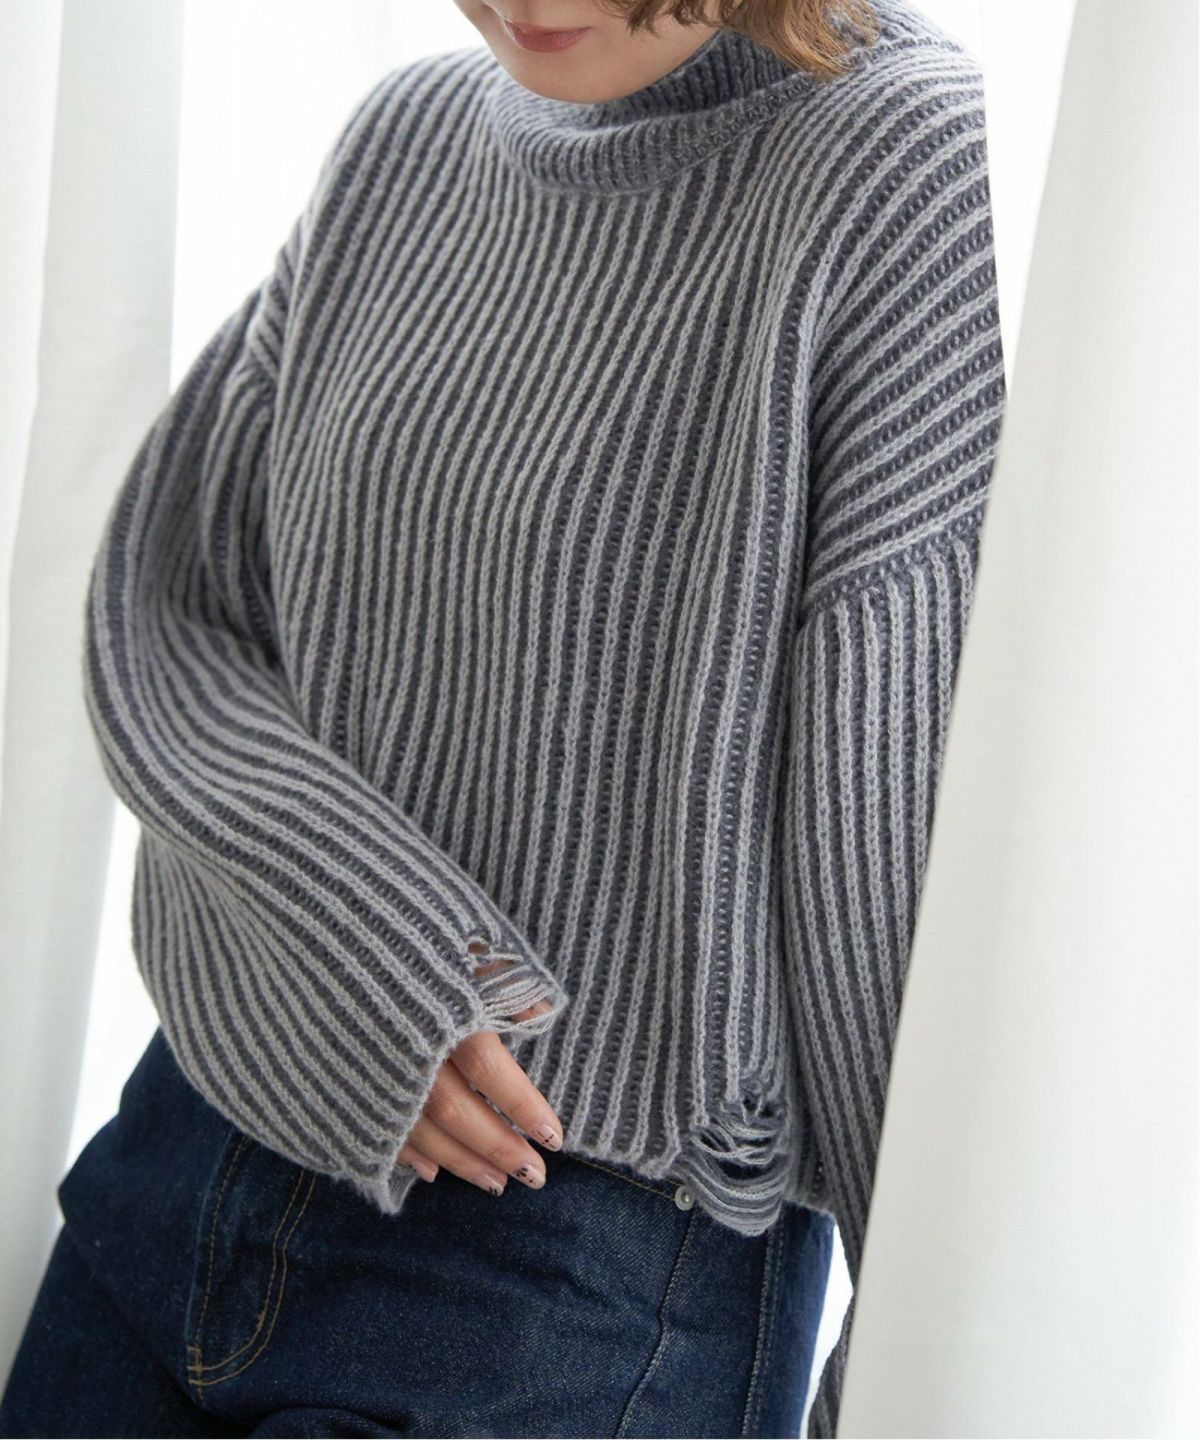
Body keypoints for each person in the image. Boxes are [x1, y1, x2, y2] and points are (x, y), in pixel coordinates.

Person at [0, 0, 1007, 1434]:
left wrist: (917, 1356)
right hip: (195, 1141)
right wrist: (368, 954)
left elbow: (882, 816)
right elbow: (169, 607)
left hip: (566, 1277)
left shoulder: (888, 157)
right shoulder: (408, 136)